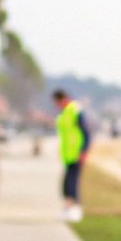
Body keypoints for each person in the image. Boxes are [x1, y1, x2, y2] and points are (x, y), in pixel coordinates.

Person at [52, 89, 91, 223]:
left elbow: (86, 133)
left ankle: (75, 208)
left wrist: (84, 151)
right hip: (68, 154)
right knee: (67, 183)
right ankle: (68, 207)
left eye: (56, 102)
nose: (56, 105)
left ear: (61, 99)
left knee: (72, 182)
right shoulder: (64, 113)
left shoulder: (75, 110)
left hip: (76, 153)